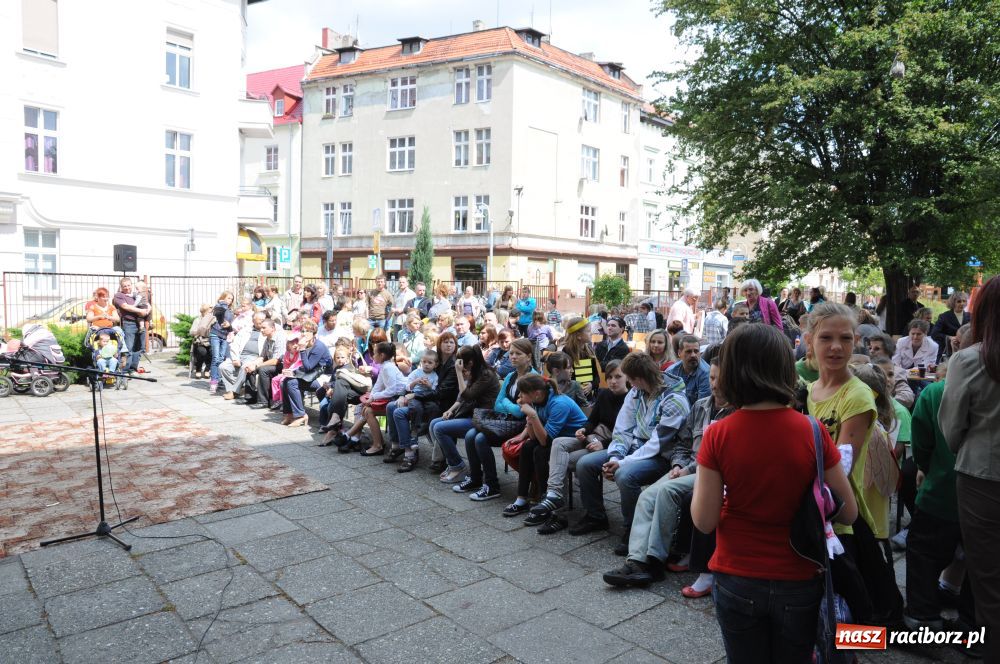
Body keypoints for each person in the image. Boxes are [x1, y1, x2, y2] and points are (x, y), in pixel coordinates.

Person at [691, 323, 857, 663]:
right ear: (785, 368)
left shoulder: (718, 434)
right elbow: (849, 512)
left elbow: (704, 521)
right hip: (800, 576)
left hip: (737, 574)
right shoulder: (812, 431)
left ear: (731, 372)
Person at [806, 302, 901, 624]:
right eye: (826, 338)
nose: (836, 346)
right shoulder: (808, 392)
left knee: (855, 612)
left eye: (845, 338)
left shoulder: (857, 396)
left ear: (855, 342)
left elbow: (841, 467)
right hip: (812, 511)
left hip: (841, 516)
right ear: (810, 341)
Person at [603, 356, 733, 588]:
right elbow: (683, 443)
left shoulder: (734, 412)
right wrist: (677, 465)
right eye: (712, 378)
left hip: (712, 473)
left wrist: (687, 468)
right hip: (687, 467)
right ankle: (636, 561)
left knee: (666, 491)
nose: (714, 384)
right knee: (647, 496)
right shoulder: (701, 406)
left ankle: (654, 562)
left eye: (719, 379)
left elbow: (722, 458)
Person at [570, 353, 690, 555]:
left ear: (640, 378)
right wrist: (616, 457)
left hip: (662, 456)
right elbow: (623, 428)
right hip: (635, 448)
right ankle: (596, 516)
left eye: (630, 379)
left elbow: (657, 444)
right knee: (585, 464)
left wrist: (622, 463)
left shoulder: (674, 400)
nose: (629, 384)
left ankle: (634, 529)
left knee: (625, 476)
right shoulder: (637, 392)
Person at [939, 275, 1000, 662]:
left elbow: (951, 428)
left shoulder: (969, 359)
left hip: (982, 477)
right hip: (981, 472)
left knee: (989, 580)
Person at [905, 361, 979, 636]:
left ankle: (923, 619)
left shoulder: (936, 392)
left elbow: (921, 445)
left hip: (941, 490)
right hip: (986, 496)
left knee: (924, 554)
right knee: (983, 563)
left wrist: (930, 468)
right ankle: (972, 626)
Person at [526, 359, 628, 530]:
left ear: (628, 377)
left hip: (614, 444)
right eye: (609, 377)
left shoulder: (630, 398)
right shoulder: (604, 394)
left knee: (564, 460)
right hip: (593, 438)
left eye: (618, 377)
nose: (613, 381)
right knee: (558, 443)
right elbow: (592, 420)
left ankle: (560, 514)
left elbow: (628, 434)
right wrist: (584, 430)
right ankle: (554, 495)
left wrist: (603, 444)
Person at [462, 339, 538, 504]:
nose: (513, 356)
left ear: (529, 356)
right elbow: (498, 404)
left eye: (518, 353)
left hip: (523, 427)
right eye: (511, 353)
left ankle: (492, 486)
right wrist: (511, 405)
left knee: (480, 438)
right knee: (470, 435)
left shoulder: (534, 378)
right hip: (504, 422)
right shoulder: (510, 376)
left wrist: (507, 404)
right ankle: (475, 478)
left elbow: (521, 412)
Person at [429, 345, 501, 483]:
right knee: (434, 423)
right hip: (471, 414)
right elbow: (462, 398)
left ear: (470, 362)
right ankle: (450, 462)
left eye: (461, 362)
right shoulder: (477, 372)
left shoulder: (486, 375)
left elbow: (467, 395)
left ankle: (457, 467)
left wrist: (458, 373)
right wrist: (451, 410)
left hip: (483, 418)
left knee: (440, 428)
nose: (459, 365)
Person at [393, 332, 459, 473]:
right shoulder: (434, 359)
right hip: (425, 400)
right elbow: (412, 378)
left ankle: (414, 443)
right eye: (445, 342)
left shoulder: (453, 365)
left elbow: (441, 393)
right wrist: (403, 395)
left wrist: (415, 395)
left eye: (452, 342)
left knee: (400, 413)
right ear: (439, 344)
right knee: (394, 408)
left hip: (443, 405)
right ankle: (407, 450)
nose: (448, 345)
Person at [352, 341, 408, 456]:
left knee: (368, 411)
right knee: (367, 409)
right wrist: (370, 398)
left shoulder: (388, 368)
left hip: (399, 399)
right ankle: (377, 443)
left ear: (382, 355)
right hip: (394, 398)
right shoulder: (385, 366)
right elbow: (378, 385)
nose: (372, 356)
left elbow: (391, 391)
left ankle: (376, 445)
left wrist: (373, 398)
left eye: (375, 353)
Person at [385, 350, 440, 457]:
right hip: (415, 397)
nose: (426, 365)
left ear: (435, 364)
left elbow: (435, 390)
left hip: (428, 398)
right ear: (421, 362)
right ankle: (412, 434)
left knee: (433, 408)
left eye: (430, 363)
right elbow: (407, 386)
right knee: (415, 407)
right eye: (424, 362)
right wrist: (415, 382)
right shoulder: (416, 372)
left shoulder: (435, 376)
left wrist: (429, 385)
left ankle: (422, 432)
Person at [280, 320, 331, 427]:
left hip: (323, 378)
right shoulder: (306, 344)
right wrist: (292, 372)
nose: (304, 333)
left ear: (314, 333)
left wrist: (302, 350)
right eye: (303, 331)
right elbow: (303, 366)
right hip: (311, 375)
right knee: (284, 381)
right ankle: (289, 414)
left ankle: (301, 415)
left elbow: (308, 367)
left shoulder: (318, 346)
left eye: (308, 331)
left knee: (291, 383)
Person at [112, 277, 151, 374]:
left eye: (128, 285)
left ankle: (133, 368)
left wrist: (147, 310)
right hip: (129, 323)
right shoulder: (119, 295)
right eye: (124, 286)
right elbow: (126, 307)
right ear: (121, 287)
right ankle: (125, 370)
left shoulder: (136, 294)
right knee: (128, 348)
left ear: (131, 285)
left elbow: (147, 304)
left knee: (139, 347)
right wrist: (140, 311)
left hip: (141, 324)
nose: (127, 287)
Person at [665, 335, 711, 407]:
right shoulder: (671, 372)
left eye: (696, 351)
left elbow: (702, 407)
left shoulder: (706, 373)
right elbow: (665, 398)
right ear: (679, 353)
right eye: (688, 351)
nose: (693, 355)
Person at [207, 291, 235, 394]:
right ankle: (214, 382)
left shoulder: (230, 311)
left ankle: (220, 380)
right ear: (223, 298)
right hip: (215, 334)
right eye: (228, 298)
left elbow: (229, 325)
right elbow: (219, 313)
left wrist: (229, 326)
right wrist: (223, 302)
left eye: (231, 299)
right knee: (216, 358)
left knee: (222, 358)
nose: (230, 300)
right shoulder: (218, 306)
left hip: (224, 336)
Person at [931, 291, 970, 361]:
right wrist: (949, 338)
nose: (962, 303)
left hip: (967, 352)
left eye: (964, 301)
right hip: (948, 352)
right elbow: (934, 333)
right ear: (953, 303)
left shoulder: (971, 316)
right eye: (959, 301)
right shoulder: (944, 317)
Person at [188, 304, 214, 379]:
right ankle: (198, 369)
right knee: (202, 352)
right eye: (208, 312)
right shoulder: (198, 320)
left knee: (213, 352)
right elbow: (191, 332)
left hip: (210, 341)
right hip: (200, 342)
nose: (210, 314)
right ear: (204, 312)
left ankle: (207, 370)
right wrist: (198, 331)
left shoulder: (213, 319)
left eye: (211, 312)